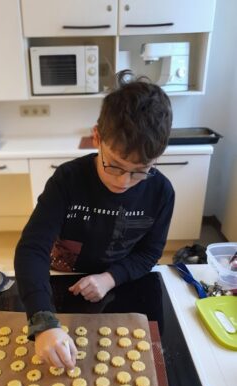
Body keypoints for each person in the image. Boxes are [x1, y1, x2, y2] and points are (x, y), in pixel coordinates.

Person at [14, 76, 174, 370]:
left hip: (123, 282)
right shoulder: (68, 179)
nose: (123, 182)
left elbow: (150, 253)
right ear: (97, 138)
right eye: (114, 165)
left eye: (140, 171)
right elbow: (32, 249)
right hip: (60, 281)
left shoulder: (161, 192)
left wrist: (110, 277)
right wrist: (43, 321)